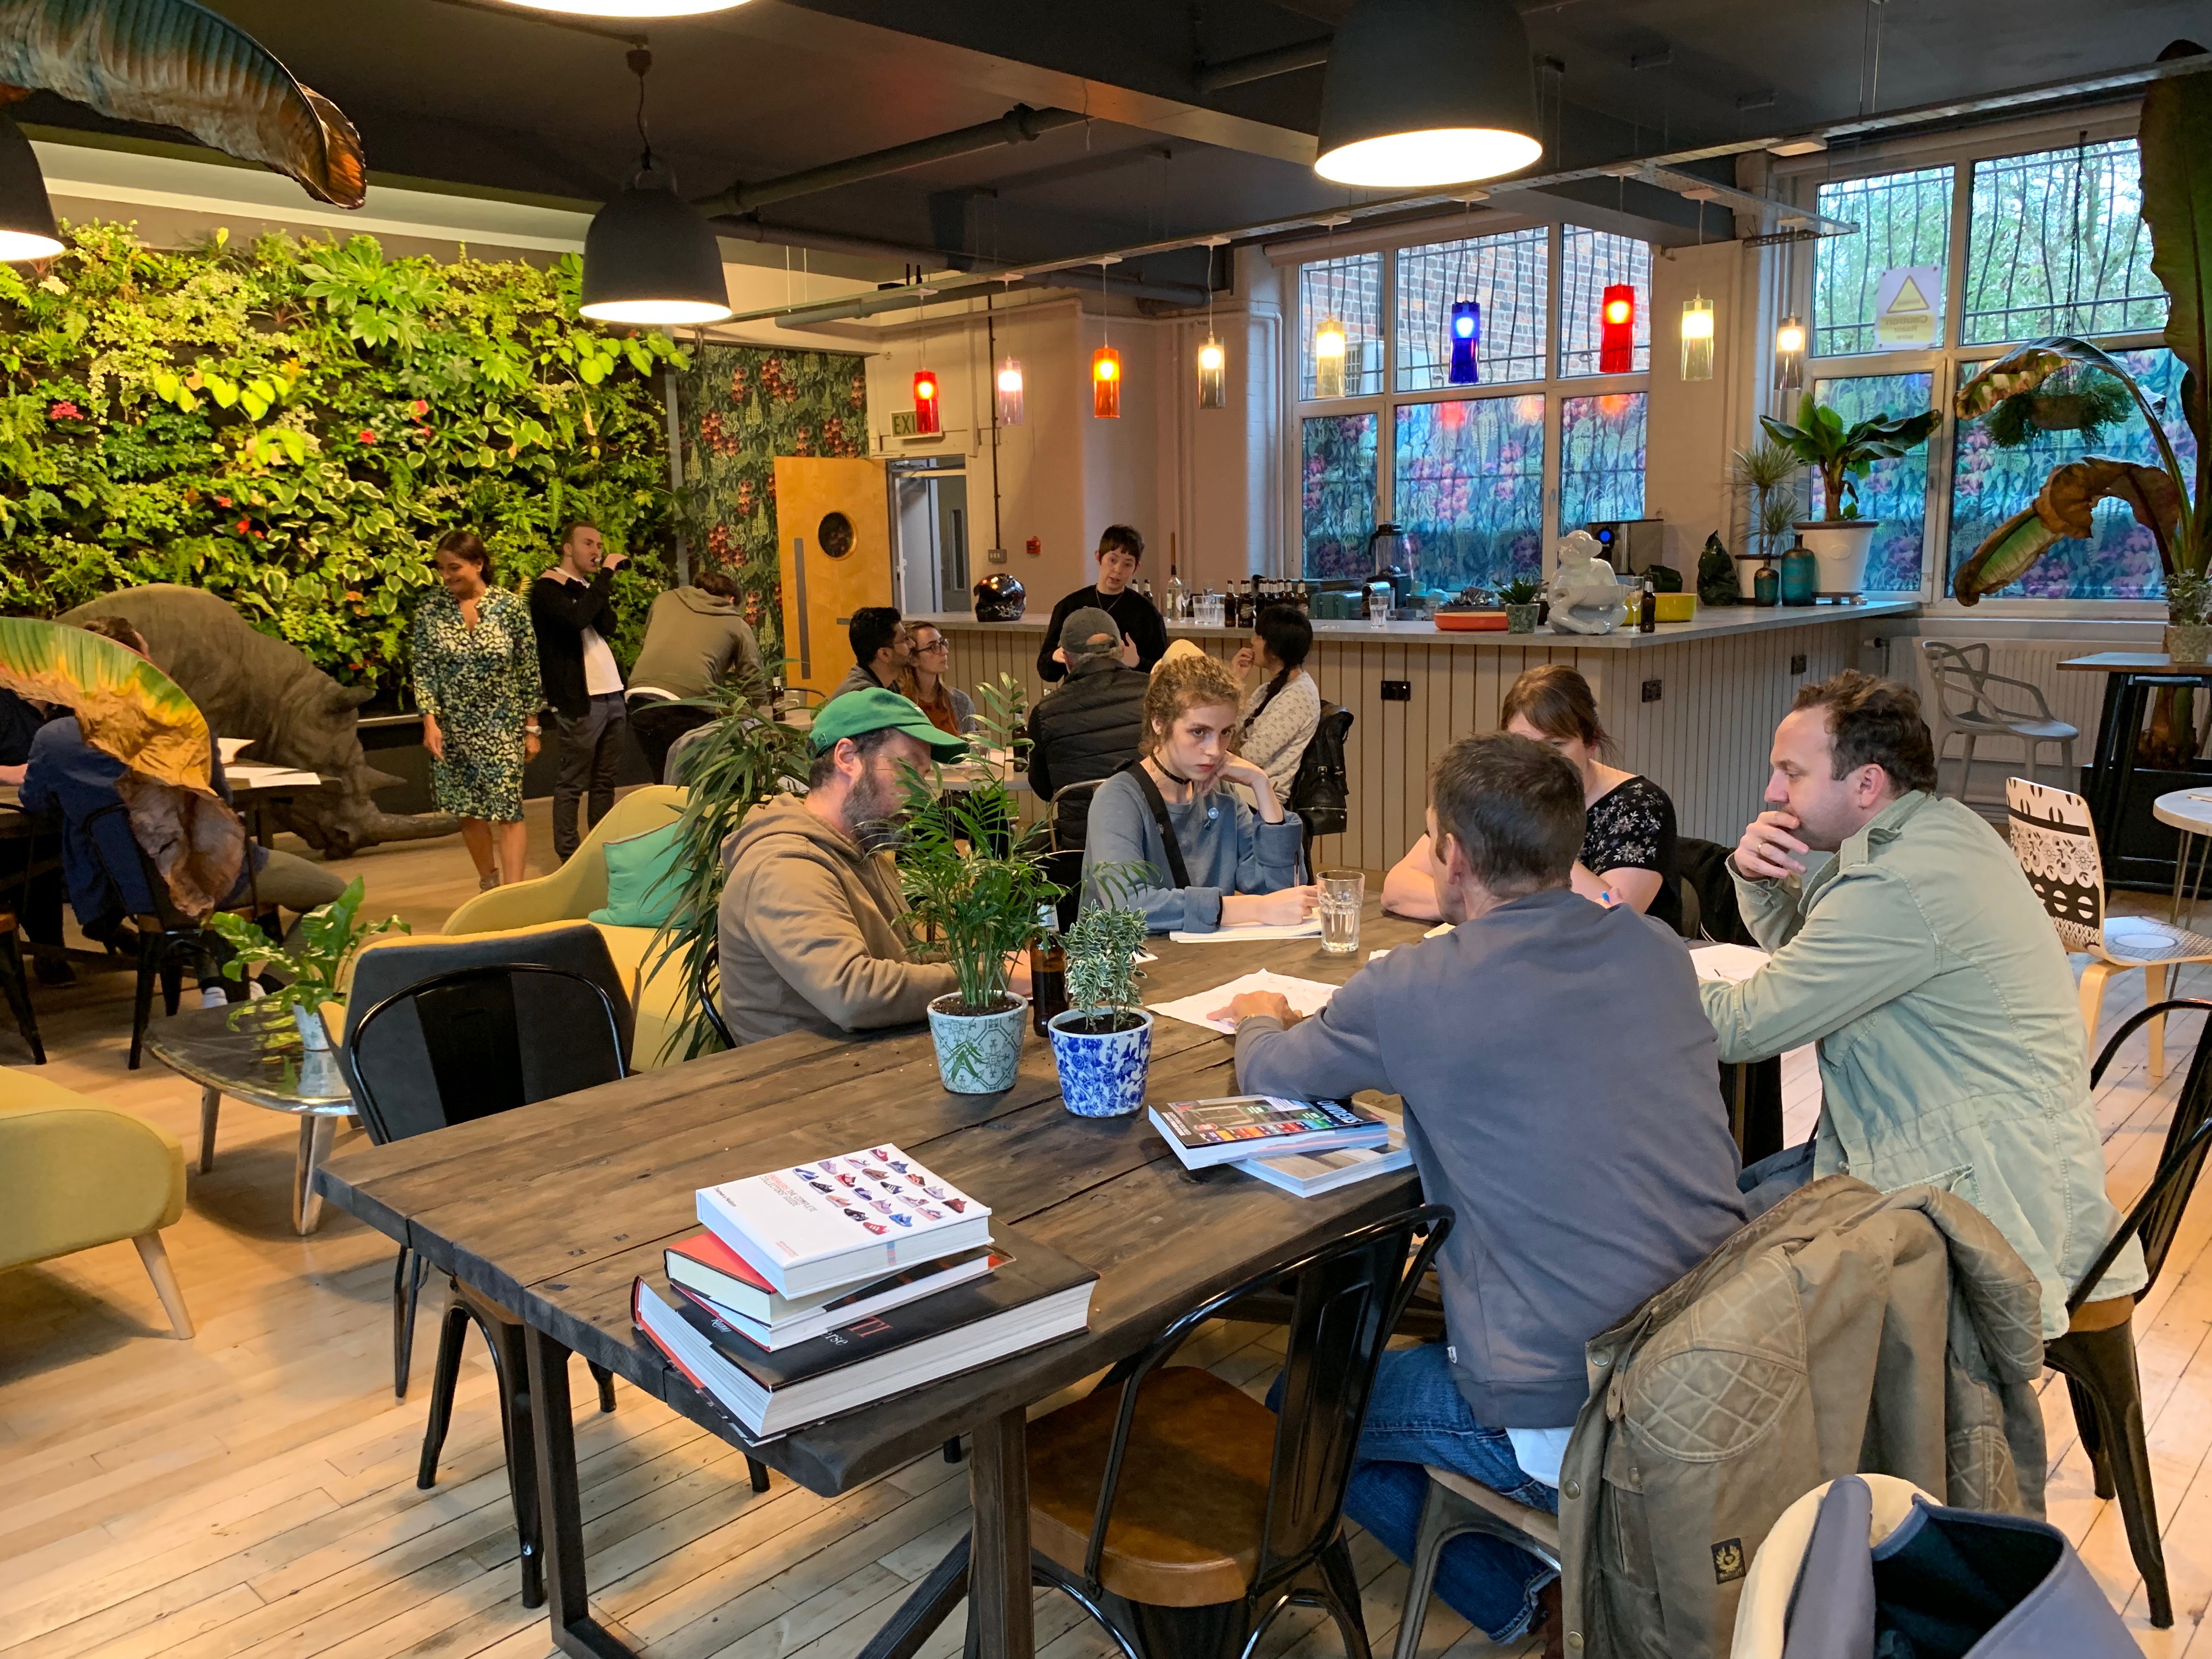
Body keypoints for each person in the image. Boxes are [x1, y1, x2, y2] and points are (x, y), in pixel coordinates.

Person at [1216, 732, 1747, 1647]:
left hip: (1567, 1399)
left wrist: (1262, 1015)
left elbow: (1276, 1072)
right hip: (1714, 1352)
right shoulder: (1654, 948)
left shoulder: (1416, 984)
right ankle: (1546, 1588)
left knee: (1296, 1417)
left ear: (1453, 855)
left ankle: (1527, 1601)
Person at [1703, 670, 2145, 1336]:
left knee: (1695, 1262)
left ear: (1865, 784)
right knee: (1716, 1222)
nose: (1771, 793)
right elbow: (1831, 974)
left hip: (1980, 1200)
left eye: (1790, 772)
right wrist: (1759, 883)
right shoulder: (1942, 831)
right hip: (1972, 1155)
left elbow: (1745, 1026)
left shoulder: (1895, 883)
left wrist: (1641, 971)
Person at [21, 616, 348, 954]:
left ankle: (218, 978)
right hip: (208, 876)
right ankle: (273, 986)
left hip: (129, 890)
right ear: (138, 666)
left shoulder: (52, 740)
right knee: (337, 896)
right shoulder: (184, 722)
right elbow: (220, 797)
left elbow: (37, 802)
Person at [716, 689, 981, 1046]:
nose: (923, 794)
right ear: (847, 757)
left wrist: (995, 957)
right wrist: (984, 977)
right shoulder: (785, 865)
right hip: (801, 1087)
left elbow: (907, 957)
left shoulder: (864, 848)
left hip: (865, 1062)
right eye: (910, 769)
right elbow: (854, 995)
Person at [1383, 664, 1681, 933]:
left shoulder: (1639, 804)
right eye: (1524, 744)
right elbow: (1397, 889)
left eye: (1556, 744)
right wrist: (1505, 915)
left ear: (1591, 743)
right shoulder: (1494, 795)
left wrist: (1489, 903)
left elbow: (1615, 918)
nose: (1539, 761)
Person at [1080, 652, 1311, 932]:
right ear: (1159, 723)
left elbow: (1280, 890)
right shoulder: (1119, 797)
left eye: (1225, 732)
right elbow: (1128, 906)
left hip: (1202, 962)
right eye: (1199, 732)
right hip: (1127, 966)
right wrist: (1251, 908)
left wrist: (1261, 784)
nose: (1215, 750)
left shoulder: (1221, 793)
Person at [414, 531, 543, 890]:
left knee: (508, 809)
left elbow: (528, 669)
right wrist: (430, 721)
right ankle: (489, 885)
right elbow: (424, 671)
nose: (447, 576)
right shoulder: (431, 609)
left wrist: (532, 728)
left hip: (503, 724)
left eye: (454, 567)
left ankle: (513, 894)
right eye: (441, 569)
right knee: (468, 810)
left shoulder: (510, 608)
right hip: (454, 728)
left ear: (478, 564)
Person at [531, 521, 629, 863]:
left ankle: (601, 852)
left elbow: (607, 626)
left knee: (605, 780)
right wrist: (601, 581)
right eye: (588, 544)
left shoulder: (586, 587)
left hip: (613, 694)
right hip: (580, 698)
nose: (596, 552)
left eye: (599, 546)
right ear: (567, 549)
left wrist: (597, 584)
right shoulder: (547, 589)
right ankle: (569, 855)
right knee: (573, 780)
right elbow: (574, 622)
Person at [626, 569, 765, 782]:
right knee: (696, 783)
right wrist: (740, 718)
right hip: (689, 704)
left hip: (640, 695)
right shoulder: (736, 623)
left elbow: (646, 641)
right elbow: (753, 684)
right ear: (731, 599)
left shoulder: (665, 599)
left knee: (663, 779)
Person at [1027, 607, 1147, 851]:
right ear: (1121, 651)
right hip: (1152, 844)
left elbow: (1044, 788)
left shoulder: (1046, 712)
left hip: (1081, 852)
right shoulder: (1156, 692)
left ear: (1067, 659)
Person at [1035, 525, 1166, 684]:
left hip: (1128, 699)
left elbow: (1163, 674)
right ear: (1098, 557)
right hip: (1079, 698)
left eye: (1128, 564)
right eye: (1113, 560)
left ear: (1136, 568)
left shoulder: (1147, 614)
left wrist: (1137, 662)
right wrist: (1055, 657)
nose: (1118, 570)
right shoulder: (1069, 606)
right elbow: (1047, 673)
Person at [0, 687, 69, 983]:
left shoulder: (73, 703)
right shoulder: (5, 704)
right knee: (31, 853)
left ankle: (106, 922)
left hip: (65, 807)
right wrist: (11, 773)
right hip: (15, 820)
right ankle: (49, 948)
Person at [1232, 603, 1319, 800]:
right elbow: (1232, 728)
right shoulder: (1268, 689)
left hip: (1262, 795)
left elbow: (1251, 757)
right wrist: (1235, 680)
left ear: (1275, 649)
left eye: (1259, 637)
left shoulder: (1299, 695)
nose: (1252, 642)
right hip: (1242, 785)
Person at [894, 620, 975, 737]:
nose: (944, 651)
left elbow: (973, 750)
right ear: (913, 659)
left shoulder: (960, 701)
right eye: (933, 647)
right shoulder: (898, 704)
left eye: (942, 643)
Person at [827, 606, 910, 704]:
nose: (912, 644)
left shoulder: (889, 685)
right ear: (885, 654)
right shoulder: (863, 698)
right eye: (905, 639)